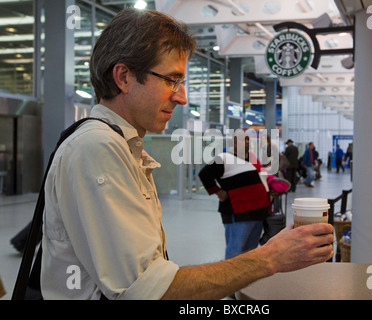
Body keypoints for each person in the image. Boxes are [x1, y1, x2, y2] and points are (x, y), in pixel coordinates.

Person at [39, 8, 334, 300]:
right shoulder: (98, 148)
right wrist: (270, 258)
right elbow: (145, 291)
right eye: (171, 80)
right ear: (124, 77)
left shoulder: (123, 147)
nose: (182, 97)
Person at [198, 130, 270, 260]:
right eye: (244, 139)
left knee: (251, 250)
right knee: (235, 250)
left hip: (258, 211)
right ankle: (230, 278)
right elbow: (204, 174)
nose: (247, 142)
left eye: (248, 139)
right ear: (235, 142)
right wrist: (218, 191)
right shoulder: (224, 158)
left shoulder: (252, 158)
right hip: (237, 212)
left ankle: (246, 275)